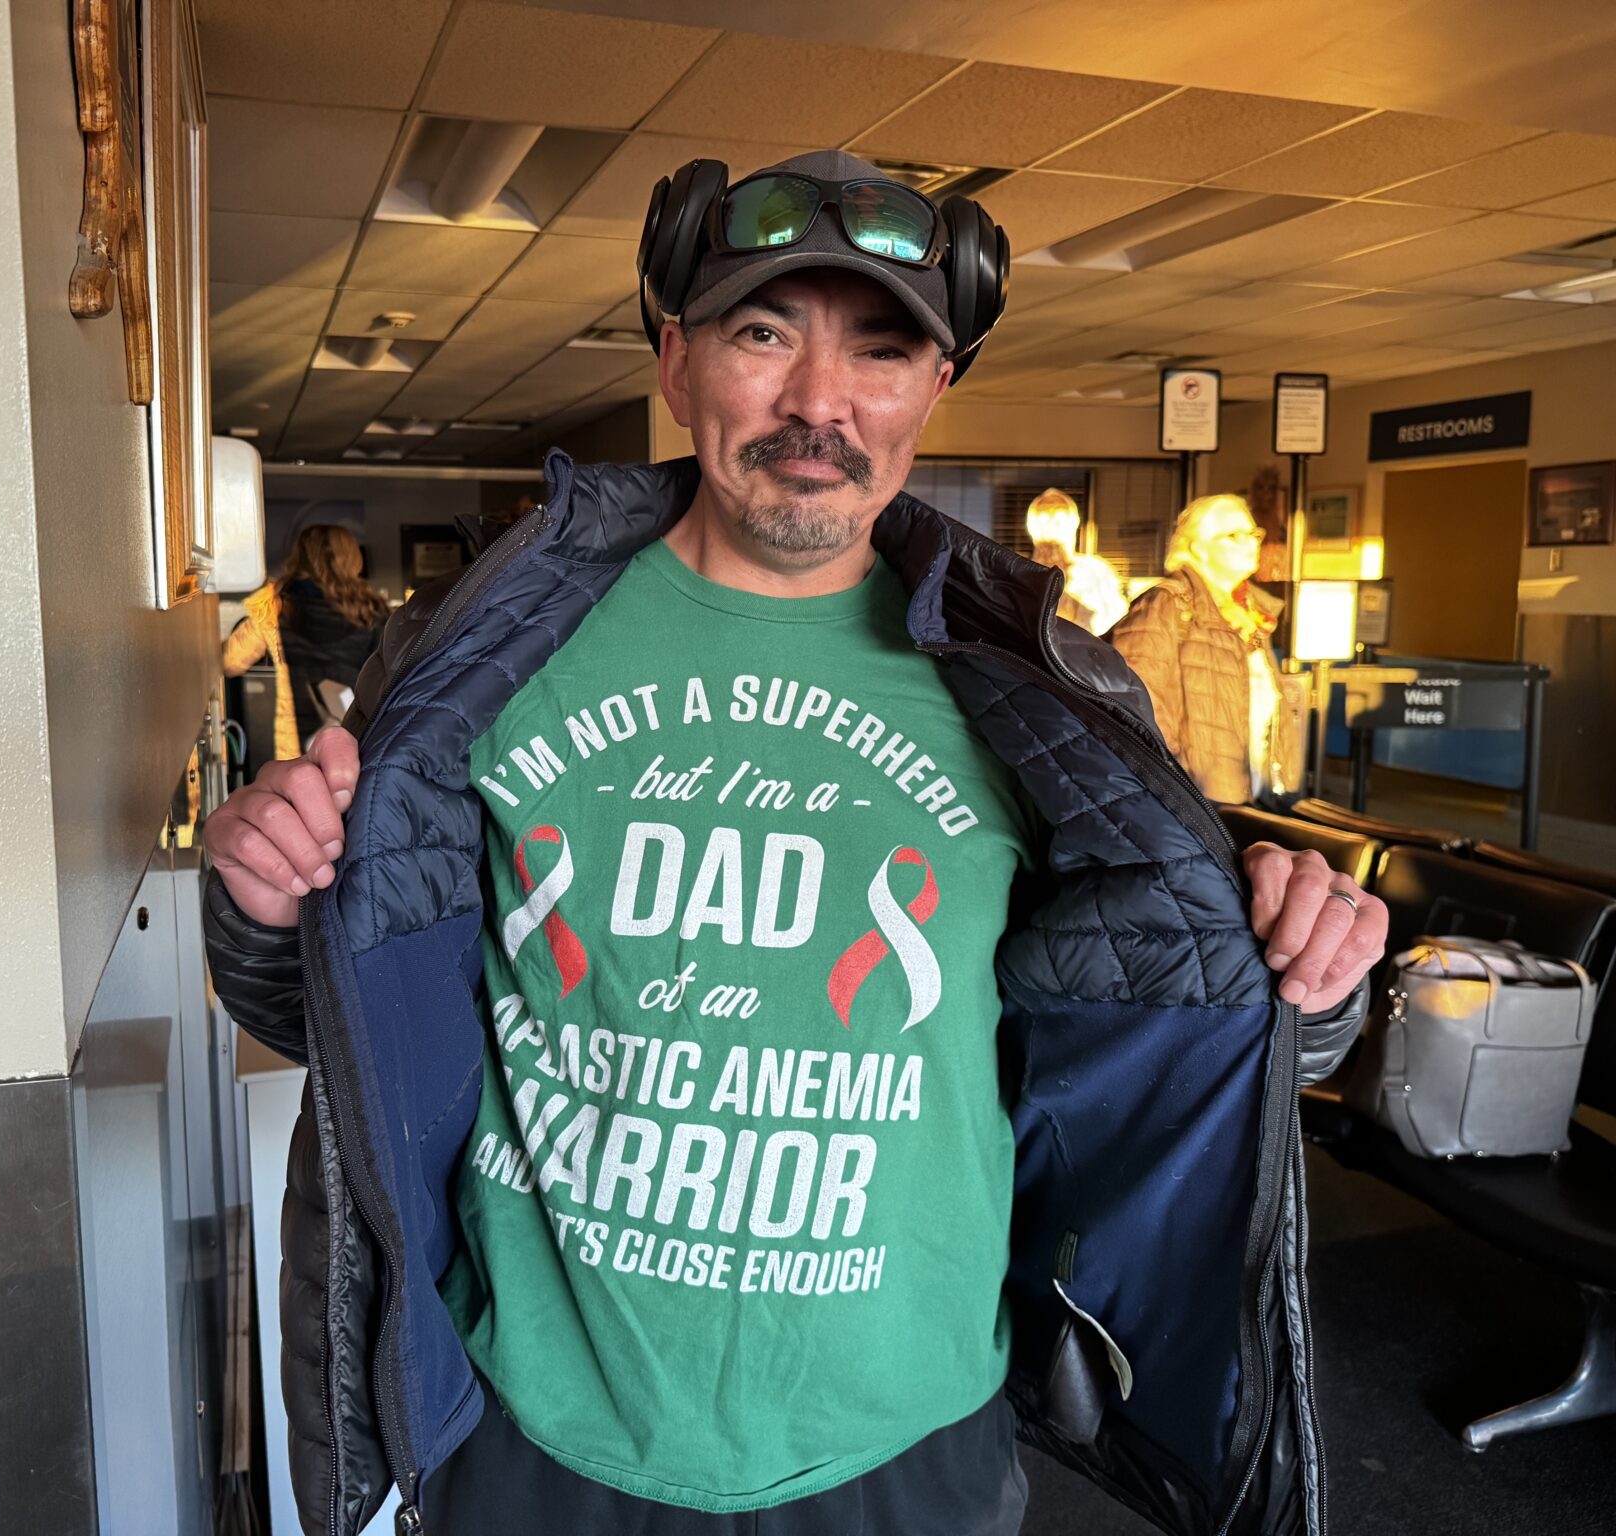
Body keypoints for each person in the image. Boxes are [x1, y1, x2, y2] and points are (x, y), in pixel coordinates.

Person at [201, 151, 1385, 1536]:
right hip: (541, 1439)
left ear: (934, 389)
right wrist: (263, 902)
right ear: (674, 359)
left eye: (881, 352)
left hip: (901, 1447)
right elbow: (330, 1011)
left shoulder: (1040, 688)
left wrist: (1310, 968)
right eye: (764, 333)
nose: (821, 404)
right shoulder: (483, 654)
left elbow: (1178, 1030)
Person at [1110, 494, 1309, 806]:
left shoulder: (1251, 615)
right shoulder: (1168, 604)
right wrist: (1181, 786)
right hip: (1199, 803)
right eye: (1233, 536)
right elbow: (1138, 707)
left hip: (1256, 796)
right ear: (1198, 547)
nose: (1250, 543)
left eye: (1253, 534)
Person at [221, 523, 388, 761]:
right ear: (353, 559)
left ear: (300, 558)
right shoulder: (374, 609)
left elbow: (230, 661)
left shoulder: (274, 605)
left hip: (297, 752)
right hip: (359, 744)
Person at [1024, 487, 1126, 635]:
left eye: (1059, 520)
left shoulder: (1094, 571)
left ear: (1071, 525)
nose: (1051, 528)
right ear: (1033, 527)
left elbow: (1114, 618)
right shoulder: (1022, 571)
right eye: (1044, 521)